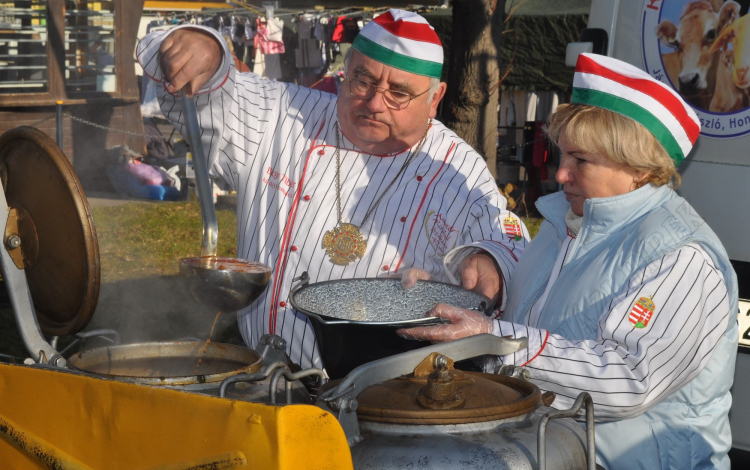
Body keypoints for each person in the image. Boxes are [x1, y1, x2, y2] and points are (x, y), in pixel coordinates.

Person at [136, 10, 528, 371]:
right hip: (259, 369)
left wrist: (489, 257)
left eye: (399, 93)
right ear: (346, 71)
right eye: (364, 80)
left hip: (380, 395)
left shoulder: (454, 167)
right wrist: (201, 44)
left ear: (435, 99)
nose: (375, 103)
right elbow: (181, 74)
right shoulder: (283, 113)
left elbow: (510, 241)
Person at [399, 53, 738, 469]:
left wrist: (495, 338)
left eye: (581, 160)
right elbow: (539, 315)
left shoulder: (682, 256)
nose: (561, 174)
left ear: (636, 168)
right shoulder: (569, 222)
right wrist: (464, 279)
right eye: (562, 155)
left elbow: (627, 381)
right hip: (554, 452)